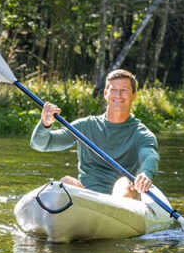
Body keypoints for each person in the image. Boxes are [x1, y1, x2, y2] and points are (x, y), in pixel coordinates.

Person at [31, 69, 158, 199]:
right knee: (66, 181)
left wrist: (145, 173)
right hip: (88, 198)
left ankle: (113, 211)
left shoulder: (142, 134)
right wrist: (45, 125)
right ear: (105, 94)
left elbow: (149, 155)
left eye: (124, 90)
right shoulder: (85, 126)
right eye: (113, 90)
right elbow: (40, 144)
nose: (118, 95)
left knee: (123, 182)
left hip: (125, 196)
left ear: (134, 95)